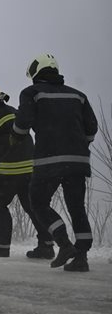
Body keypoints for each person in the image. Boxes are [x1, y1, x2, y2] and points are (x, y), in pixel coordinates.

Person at [11, 53, 98, 272]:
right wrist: (78, 146)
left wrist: (16, 135)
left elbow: (22, 125)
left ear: (36, 71)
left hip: (48, 161)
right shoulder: (79, 96)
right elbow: (92, 128)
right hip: (78, 161)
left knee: (38, 203)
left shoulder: (32, 93)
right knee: (77, 207)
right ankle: (81, 258)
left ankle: (64, 243)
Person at [0, 81, 54, 258]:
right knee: (32, 206)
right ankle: (46, 245)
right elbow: (13, 139)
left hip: (12, 168)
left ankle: (1, 246)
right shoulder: (12, 111)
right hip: (30, 167)